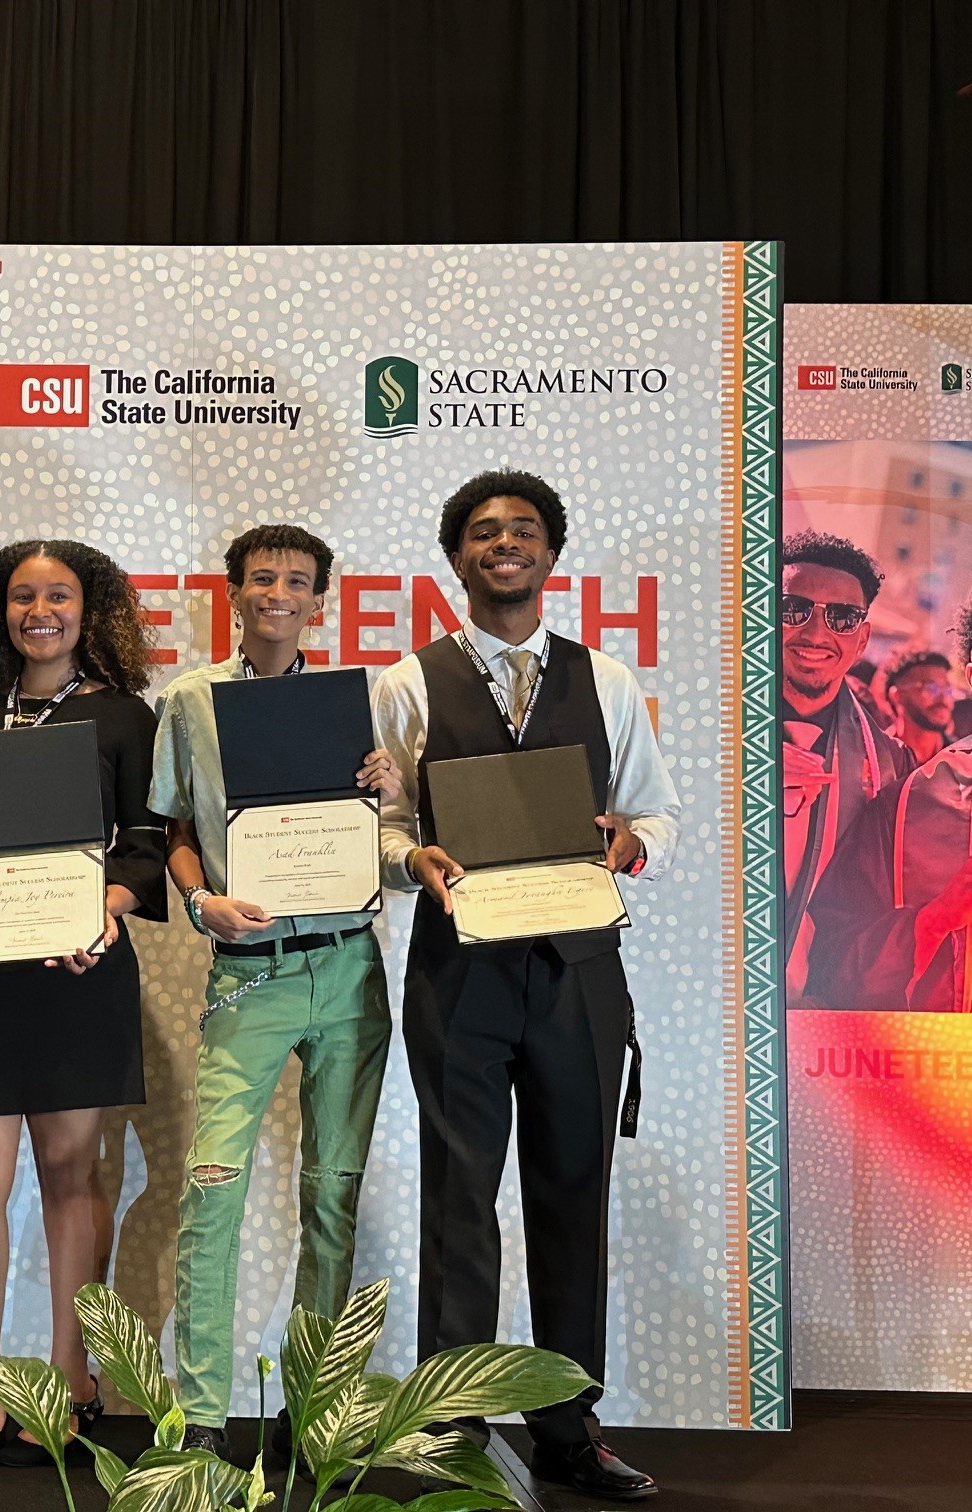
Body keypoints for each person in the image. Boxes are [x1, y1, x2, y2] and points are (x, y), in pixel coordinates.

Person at [373, 470, 681, 1502]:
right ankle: (446, 1430)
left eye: (524, 531)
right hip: (460, 970)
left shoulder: (607, 678)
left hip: (577, 974)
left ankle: (566, 1427)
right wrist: (409, 858)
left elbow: (657, 813)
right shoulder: (408, 682)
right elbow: (385, 824)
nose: (504, 544)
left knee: (570, 1193)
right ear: (456, 558)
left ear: (551, 553)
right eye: (482, 533)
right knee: (459, 1199)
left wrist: (630, 841)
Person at [147, 524, 399, 1462]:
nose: (279, 595)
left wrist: (386, 783)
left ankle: (312, 1412)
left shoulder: (361, 702)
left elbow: (391, 832)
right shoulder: (191, 701)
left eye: (298, 582)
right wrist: (200, 898)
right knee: (212, 1190)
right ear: (235, 592)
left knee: (331, 1196)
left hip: (348, 969)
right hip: (249, 973)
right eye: (263, 579)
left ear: (319, 599)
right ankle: (200, 1416)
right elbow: (173, 824)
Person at [0, 540, 167, 1467]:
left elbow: (145, 843)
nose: (40, 612)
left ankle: (71, 1379)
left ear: (88, 609)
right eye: (24, 597)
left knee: (71, 1174)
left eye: (58, 596)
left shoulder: (124, 716)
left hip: (77, 967)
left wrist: (109, 905)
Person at [808, 568, 972, 1013]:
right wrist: (931, 922)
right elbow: (830, 963)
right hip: (944, 1067)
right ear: (971, 674)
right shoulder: (906, 805)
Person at [777, 531, 911, 997]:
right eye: (793, 609)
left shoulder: (893, 767)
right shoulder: (705, 740)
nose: (816, 633)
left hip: (819, 1008)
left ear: (862, 640)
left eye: (842, 618)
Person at [883, 647, 955, 767]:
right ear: (897, 695)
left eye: (947, 690)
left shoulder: (962, 760)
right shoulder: (876, 757)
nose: (943, 699)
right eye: (931, 688)